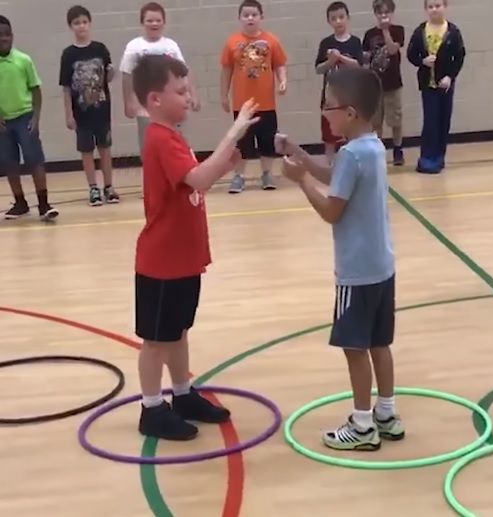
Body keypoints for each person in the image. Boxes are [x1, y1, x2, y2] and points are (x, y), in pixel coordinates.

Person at [275, 67, 404, 451]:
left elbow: (332, 209)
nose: (323, 112)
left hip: (356, 272)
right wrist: (300, 156)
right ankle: (387, 413)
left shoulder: (351, 153)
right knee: (380, 343)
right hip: (382, 267)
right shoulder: (373, 147)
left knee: (355, 348)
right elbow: (337, 175)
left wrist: (301, 181)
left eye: (327, 105)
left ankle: (363, 425)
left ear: (348, 112)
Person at [131, 53, 259, 440]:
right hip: (161, 263)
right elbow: (199, 179)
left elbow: (195, 180)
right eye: (181, 91)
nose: (188, 97)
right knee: (156, 341)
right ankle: (152, 408)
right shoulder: (159, 138)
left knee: (178, 331)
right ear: (155, 99)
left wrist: (221, 163)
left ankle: (183, 395)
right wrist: (232, 134)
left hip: (183, 260)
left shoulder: (173, 137)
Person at [220, 0, 287, 193]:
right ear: (240, 18)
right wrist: (224, 95)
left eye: (254, 14)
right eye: (246, 15)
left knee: (267, 141)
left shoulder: (271, 41)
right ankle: (239, 176)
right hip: (242, 105)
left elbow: (280, 64)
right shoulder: (232, 42)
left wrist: (283, 80)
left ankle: (267, 174)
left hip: (266, 104)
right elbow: (226, 71)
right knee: (242, 143)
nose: (250, 18)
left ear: (261, 17)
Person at [120, 2, 200, 159]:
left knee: (175, 145)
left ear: (164, 22)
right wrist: (128, 102)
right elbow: (126, 75)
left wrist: (193, 95)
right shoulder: (134, 46)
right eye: (150, 20)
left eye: (158, 20)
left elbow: (184, 72)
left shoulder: (171, 46)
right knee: (149, 147)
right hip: (145, 107)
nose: (154, 23)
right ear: (142, 22)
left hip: (170, 105)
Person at [59, 5, 119, 206]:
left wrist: (112, 71)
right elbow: (66, 87)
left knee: (105, 148)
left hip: (101, 110)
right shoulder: (68, 54)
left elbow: (108, 78)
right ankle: (93, 187)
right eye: (77, 23)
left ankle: (109, 187)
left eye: (84, 22)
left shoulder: (100, 49)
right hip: (81, 113)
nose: (81, 26)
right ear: (71, 27)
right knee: (86, 150)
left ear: (90, 24)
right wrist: (68, 114)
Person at [0, 15, 58, 221]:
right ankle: (20, 203)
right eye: (0, 35)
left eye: (7, 34)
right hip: (4, 122)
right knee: (9, 163)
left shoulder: (23, 60)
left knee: (35, 160)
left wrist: (36, 117)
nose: (3, 38)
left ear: (12, 36)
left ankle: (44, 204)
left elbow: (36, 90)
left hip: (25, 117)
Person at [406, 0, 465, 174]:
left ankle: (439, 156)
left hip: (445, 85)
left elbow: (459, 57)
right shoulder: (420, 31)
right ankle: (427, 158)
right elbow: (411, 54)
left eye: (437, 6)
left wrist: (450, 76)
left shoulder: (453, 32)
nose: (434, 9)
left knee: (443, 120)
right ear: (426, 10)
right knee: (430, 121)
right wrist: (422, 61)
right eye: (430, 6)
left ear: (445, 7)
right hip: (428, 84)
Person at [315, 1, 364, 165]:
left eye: (341, 17)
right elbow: (318, 69)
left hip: (351, 98)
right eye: (334, 18)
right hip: (330, 99)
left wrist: (340, 57)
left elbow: (359, 65)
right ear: (329, 22)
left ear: (348, 18)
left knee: (351, 136)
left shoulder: (355, 42)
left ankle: (351, 167)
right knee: (329, 137)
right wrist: (330, 61)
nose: (338, 21)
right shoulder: (326, 43)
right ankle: (330, 168)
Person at [362, 0, 405, 166]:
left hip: (393, 83)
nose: (383, 15)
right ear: (375, 14)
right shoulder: (369, 34)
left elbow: (393, 50)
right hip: (375, 85)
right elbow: (365, 58)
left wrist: (386, 30)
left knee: (396, 119)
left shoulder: (398, 30)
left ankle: (397, 149)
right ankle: (378, 150)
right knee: (376, 121)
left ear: (392, 13)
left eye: (387, 12)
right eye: (380, 13)